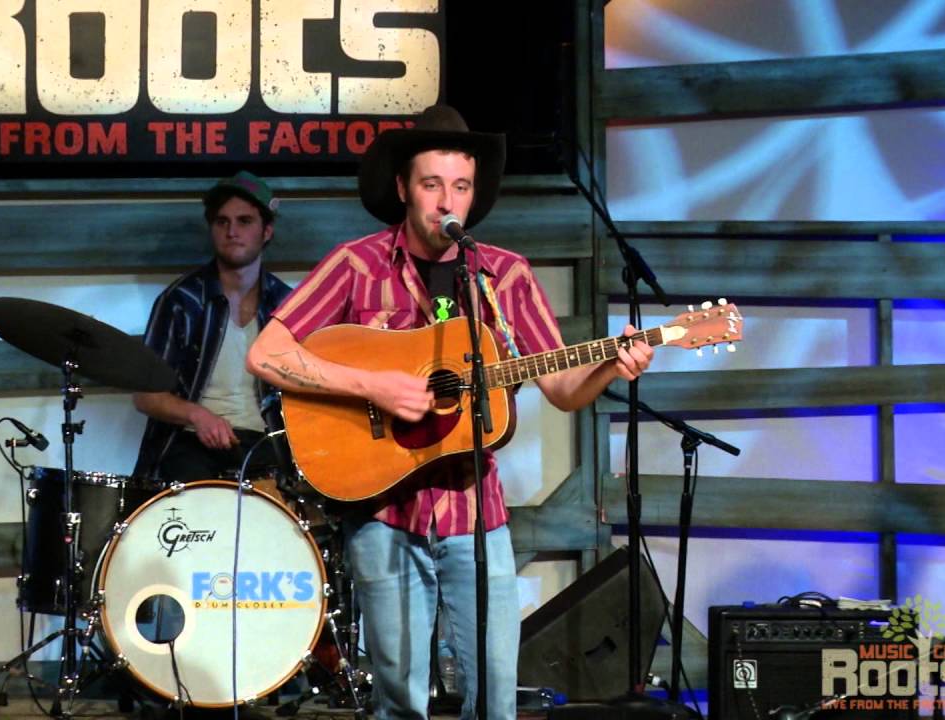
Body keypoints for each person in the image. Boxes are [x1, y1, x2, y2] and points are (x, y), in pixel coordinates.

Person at [246, 105, 655, 719]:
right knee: (400, 701)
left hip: (475, 512)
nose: (446, 201)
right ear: (403, 188)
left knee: (496, 698)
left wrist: (609, 365)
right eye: (432, 184)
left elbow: (562, 388)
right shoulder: (357, 265)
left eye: (460, 186)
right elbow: (267, 354)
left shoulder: (503, 276)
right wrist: (373, 387)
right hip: (384, 513)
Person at [132, 171, 294, 484]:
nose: (232, 231)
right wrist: (197, 415)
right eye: (222, 222)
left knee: (291, 497)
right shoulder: (180, 301)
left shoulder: (287, 305)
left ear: (267, 231)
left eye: (244, 221)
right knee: (192, 493)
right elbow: (146, 396)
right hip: (192, 440)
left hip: (265, 443)